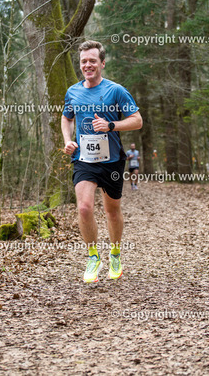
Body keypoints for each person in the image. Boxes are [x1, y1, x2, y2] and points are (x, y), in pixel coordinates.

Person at [61, 40, 143, 283]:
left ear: (102, 63)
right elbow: (66, 118)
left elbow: (137, 120)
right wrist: (68, 140)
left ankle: (115, 254)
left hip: (112, 161)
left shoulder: (116, 91)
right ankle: (93, 257)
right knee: (84, 208)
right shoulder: (72, 92)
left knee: (112, 211)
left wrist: (111, 125)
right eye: (83, 61)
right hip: (84, 159)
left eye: (92, 61)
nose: (87, 65)